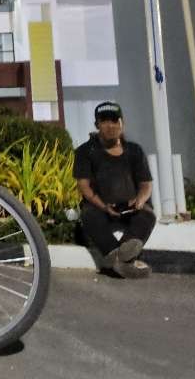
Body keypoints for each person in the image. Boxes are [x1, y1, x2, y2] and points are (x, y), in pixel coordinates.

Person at [74, 102, 155, 279]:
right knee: (88, 216)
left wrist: (140, 200)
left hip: (131, 207)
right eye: (104, 121)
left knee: (148, 216)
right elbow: (84, 187)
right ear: (97, 125)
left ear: (122, 123)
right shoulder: (85, 151)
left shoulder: (134, 150)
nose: (110, 126)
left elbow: (146, 184)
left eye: (114, 120)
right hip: (100, 207)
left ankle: (121, 258)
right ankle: (118, 257)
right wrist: (104, 206)